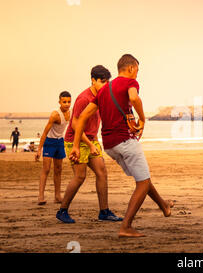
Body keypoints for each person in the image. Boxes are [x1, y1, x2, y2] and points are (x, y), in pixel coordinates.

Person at [69, 54, 173, 237]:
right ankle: (126, 227)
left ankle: (164, 205)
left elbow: (82, 117)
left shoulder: (103, 89)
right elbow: (134, 98)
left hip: (109, 146)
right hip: (125, 141)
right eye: (137, 71)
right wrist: (142, 118)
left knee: (143, 178)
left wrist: (76, 146)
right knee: (142, 182)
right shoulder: (130, 83)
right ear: (131, 68)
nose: (137, 75)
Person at [56, 65, 122, 224]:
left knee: (102, 172)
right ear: (93, 80)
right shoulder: (84, 98)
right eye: (102, 82)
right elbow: (74, 125)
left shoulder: (103, 95)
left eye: (107, 82)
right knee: (80, 176)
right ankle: (62, 211)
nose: (105, 85)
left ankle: (104, 212)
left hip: (91, 140)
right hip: (75, 141)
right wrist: (87, 145)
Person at [35, 91, 72, 205]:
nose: (66, 104)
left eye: (69, 102)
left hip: (60, 142)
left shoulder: (70, 113)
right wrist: (39, 150)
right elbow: (45, 132)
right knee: (46, 169)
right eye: (64, 102)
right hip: (49, 142)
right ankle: (41, 196)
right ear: (59, 102)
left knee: (58, 170)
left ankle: (57, 196)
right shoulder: (55, 115)